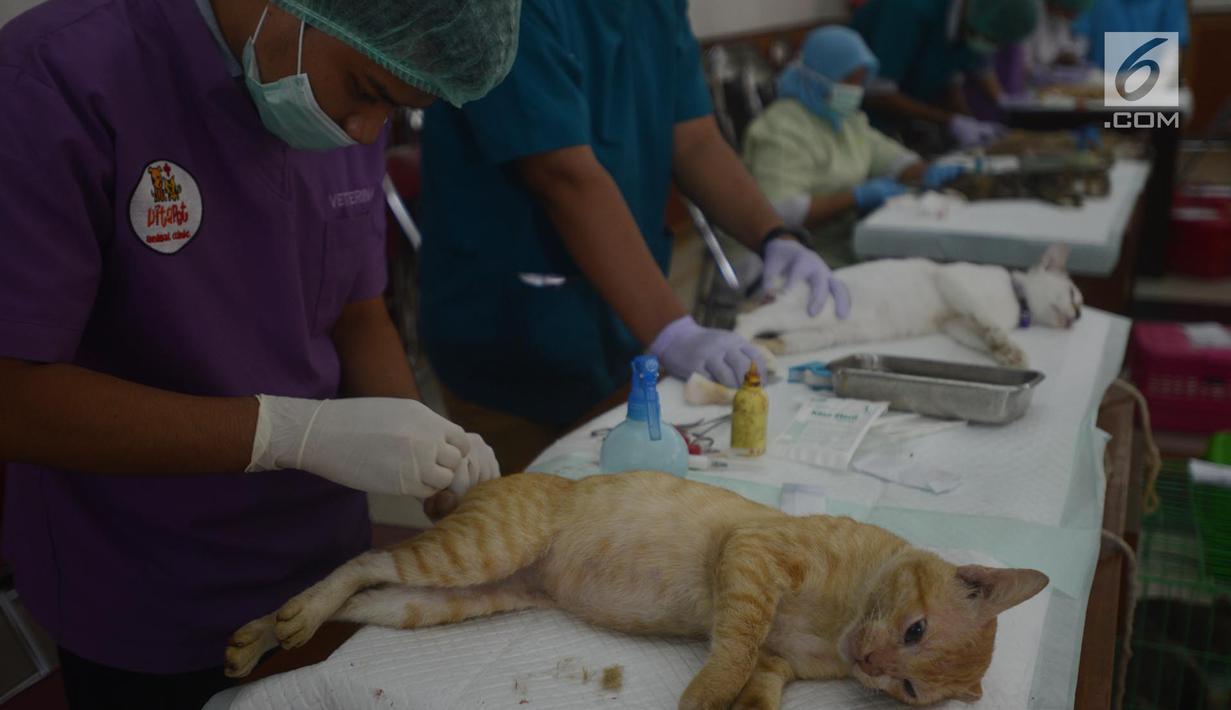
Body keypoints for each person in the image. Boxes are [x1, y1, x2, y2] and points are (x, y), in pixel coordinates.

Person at [0, 0, 519, 707]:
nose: (365, 132)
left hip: (326, 564)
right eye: (367, 94)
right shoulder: (57, 77)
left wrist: (430, 452)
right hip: (146, 583)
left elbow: (357, 310)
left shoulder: (343, 74)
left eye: (396, 111)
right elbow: (15, 397)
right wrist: (287, 433)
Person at [417, 0, 850, 471]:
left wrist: (774, 236)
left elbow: (696, 140)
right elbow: (562, 173)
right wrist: (672, 329)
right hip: (510, 336)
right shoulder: (513, 10)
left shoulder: (655, 9)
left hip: (615, 328)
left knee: (616, 507)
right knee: (520, 523)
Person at [742, 26, 965, 266]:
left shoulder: (846, 121)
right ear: (820, 74)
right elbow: (781, 213)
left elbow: (891, 159)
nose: (855, 91)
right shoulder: (781, 128)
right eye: (848, 80)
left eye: (860, 81)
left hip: (845, 245)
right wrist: (855, 198)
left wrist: (929, 172)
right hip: (793, 256)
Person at [851, 0, 1040, 147]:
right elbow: (879, 93)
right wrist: (951, 121)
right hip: (860, 125)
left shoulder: (968, 22)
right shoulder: (911, 9)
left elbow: (949, 81)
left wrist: (972, 124)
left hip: (902, 125)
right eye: (992, 38)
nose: (991, 45)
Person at [1070, 0, 1190, 68]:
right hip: (1099, 88)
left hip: (1149, 88)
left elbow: (1171, 51)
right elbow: (1078, 45)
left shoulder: (1169, 3)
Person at [1024, 0, 1098, 83]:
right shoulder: (1028, 11)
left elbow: (1062, 47)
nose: (1074, 17)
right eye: (1071, 12)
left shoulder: (1059, 18)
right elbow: (1027, 62)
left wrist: (1066, 57)